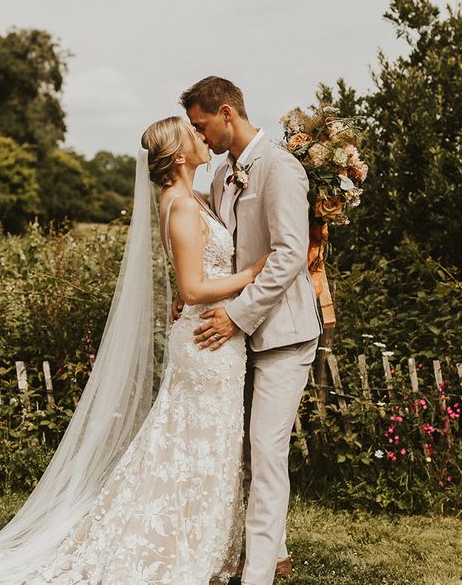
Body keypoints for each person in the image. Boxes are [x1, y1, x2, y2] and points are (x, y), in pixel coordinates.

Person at [0, 116, 268, 584]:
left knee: (202, 445)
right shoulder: (180, 206)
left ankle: (197, 546)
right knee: (195, 445)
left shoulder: (193, 198)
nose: (202, 137)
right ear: (178, 156)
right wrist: (255, 272)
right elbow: (193, 288)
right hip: (205, 340)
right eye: (193, 134)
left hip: (214, 341)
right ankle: (178, 552)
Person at [179, 76, 322, 585]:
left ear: (225, 113)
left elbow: (288, 255)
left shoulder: (281, 168)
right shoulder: (220, 176)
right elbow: (222, 250)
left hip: (283, 334)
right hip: (233, 340)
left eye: (202, 126)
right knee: (239, 448)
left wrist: (238, 315)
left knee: (266, 449)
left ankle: (257, 574)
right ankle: (275, 550)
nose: (202, 136)